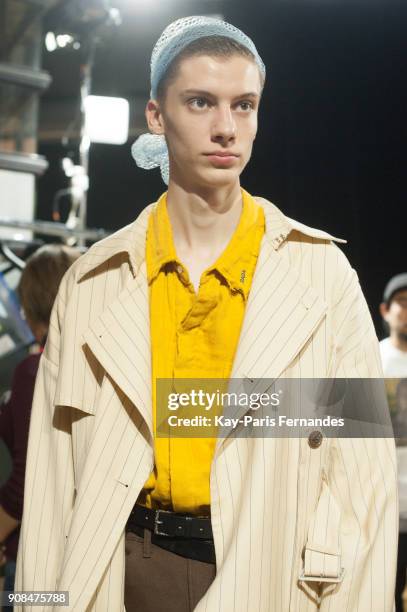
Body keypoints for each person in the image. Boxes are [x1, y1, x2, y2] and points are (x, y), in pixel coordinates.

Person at [14, 16, 398, 612]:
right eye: (200, 102)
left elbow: (363, 478)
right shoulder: (92, 284)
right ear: (156, 116)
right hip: (119, 571)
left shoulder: (322, 277)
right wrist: (39, 604)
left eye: (244, 105)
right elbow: (48, 486)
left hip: (274, 573)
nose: (226, 128)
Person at [0, 244, 80, 610]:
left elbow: (26, 482)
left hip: (33, 558)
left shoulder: (35, 373)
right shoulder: (92, 366)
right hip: (80, 552)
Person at [379, 273, 407, 612]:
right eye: (402, 303)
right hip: (387, 505)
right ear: (386, 310)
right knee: (387, 596)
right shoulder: (371, 359)